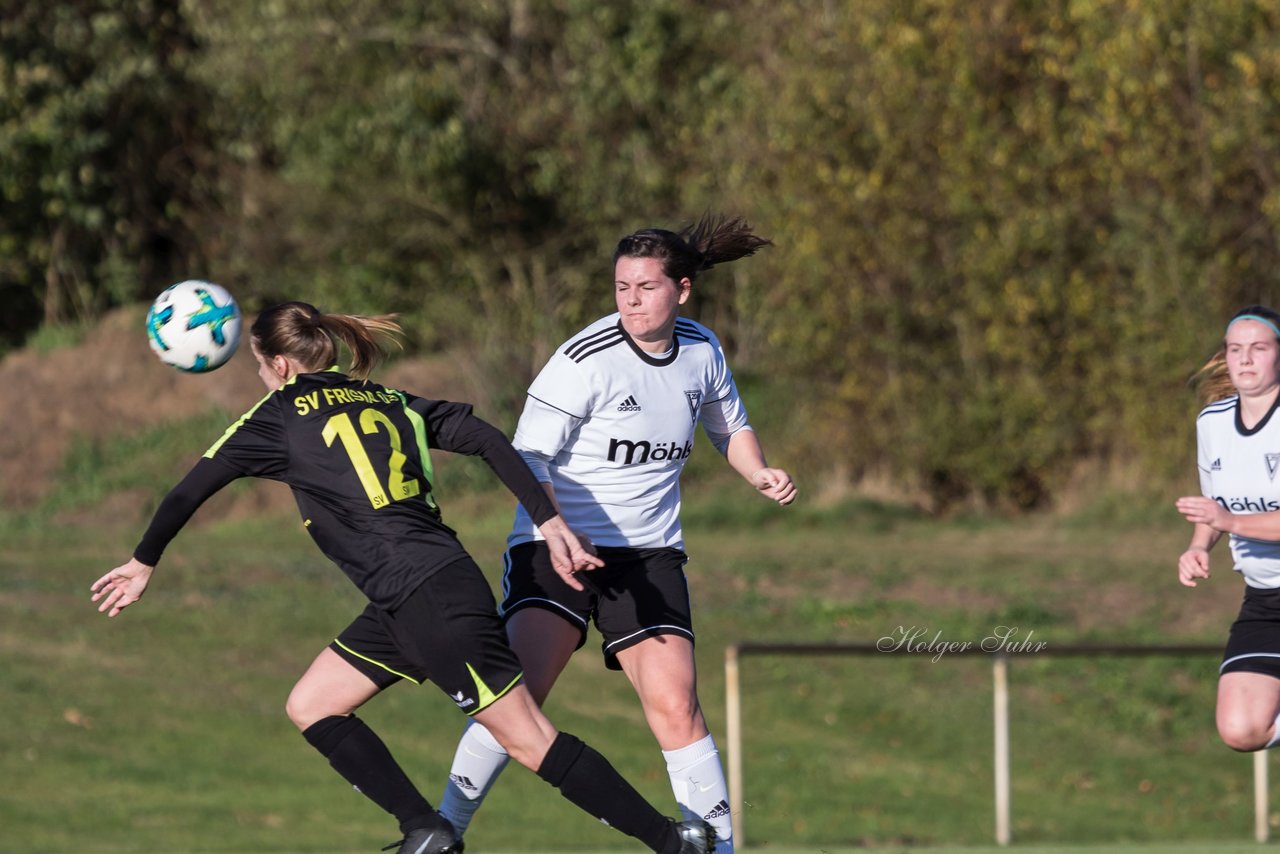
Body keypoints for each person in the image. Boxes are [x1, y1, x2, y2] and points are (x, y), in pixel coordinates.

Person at [90, 301, 717, 854]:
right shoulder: (389, 399)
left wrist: (144, 561)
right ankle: (425, 829)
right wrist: (548, 518)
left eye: (259, 365)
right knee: (313, 704)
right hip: (413, 590)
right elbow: (490, 439)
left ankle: (671, 841)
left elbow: (188, 491)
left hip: (428, 597)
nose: (260, 376)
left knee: (528, 740)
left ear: (279, 364)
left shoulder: (276, 415)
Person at [437, 214, 797, 852]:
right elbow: (527, 458)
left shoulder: (702, 350)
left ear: (682, 290)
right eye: (621, 287)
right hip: (556, 546)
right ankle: (442, 835)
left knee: (677, 708)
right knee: (515, 700)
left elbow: (728, 425)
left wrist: (757, 469)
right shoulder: (583, 360)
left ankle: (718, 850)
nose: (631, 300)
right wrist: (556, 532)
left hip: (648, 557)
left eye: (646, 287)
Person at [1176, 304, 1280, 753]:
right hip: (1265, 598)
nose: (1245, 359)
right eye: (1236, 349)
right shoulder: (1213, 423)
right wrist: (1199, 545)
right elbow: (1213, 506)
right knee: (1240, 729)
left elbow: (1227, 515)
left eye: (1258, 348)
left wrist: (1231, 522)